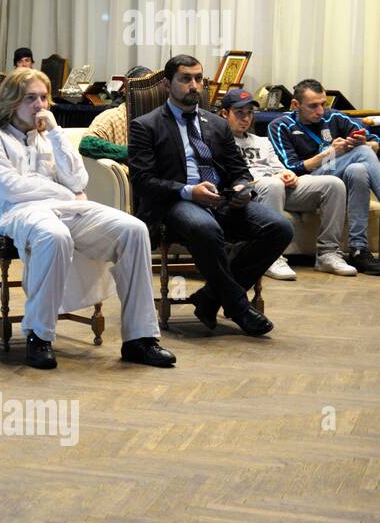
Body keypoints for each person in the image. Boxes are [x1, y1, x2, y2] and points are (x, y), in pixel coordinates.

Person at [0, 68, 175, 369]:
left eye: (44, 98)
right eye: (30, 98)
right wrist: (63, 192)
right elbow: (10, 188)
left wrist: (56, 134)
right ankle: (38, 336)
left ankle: (139, 338)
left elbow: (78, 180)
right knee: (54, 235)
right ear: (11, 102)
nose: (39, 106)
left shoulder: (47, 137)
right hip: (16, 212)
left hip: (67, 209)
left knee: (133, 229)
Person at [127, 54, 294, 335]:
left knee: (279, 228)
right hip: (175, 202)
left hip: (222, 199)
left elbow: (239, 169)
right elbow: (143, 181)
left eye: (198, 79)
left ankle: (209, 298)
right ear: (168, 85)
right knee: (206, 227)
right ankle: (239, 308)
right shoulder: (147, 125)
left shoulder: (216, 124)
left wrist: (243, 188)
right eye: (185, 79)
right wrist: (189, 191)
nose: (194, 85)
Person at [218, 87, 354, 279]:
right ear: (225, 114)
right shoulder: (219, 141)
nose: (246, 118)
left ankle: (328, 254)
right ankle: (270, 256)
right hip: (250, 191)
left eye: (249, 113)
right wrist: (272, 179)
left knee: (333, 184)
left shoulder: (262, 141)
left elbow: (279, 167)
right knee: (273, 185)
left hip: (278, 187)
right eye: (239, 113)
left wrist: (287, 173)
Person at [268, 78, 380, 275]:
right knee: (362, 153)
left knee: (359, 170)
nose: (320, 111)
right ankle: (357, 250)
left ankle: (359, 249)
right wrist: (330, 153)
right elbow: (291, 168)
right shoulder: (280, 125)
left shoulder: (334, 117)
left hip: (335, 180)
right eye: (313, 106)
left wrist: (366, 142)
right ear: (296, 105)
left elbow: (375, 142)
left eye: (323, 104)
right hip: (301, 183)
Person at [77, 65, 152, 162]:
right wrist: (131, 153)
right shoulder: (113, 116)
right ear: (128, 90)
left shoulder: (161, 116)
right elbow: (87, 144)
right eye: (145, 86)